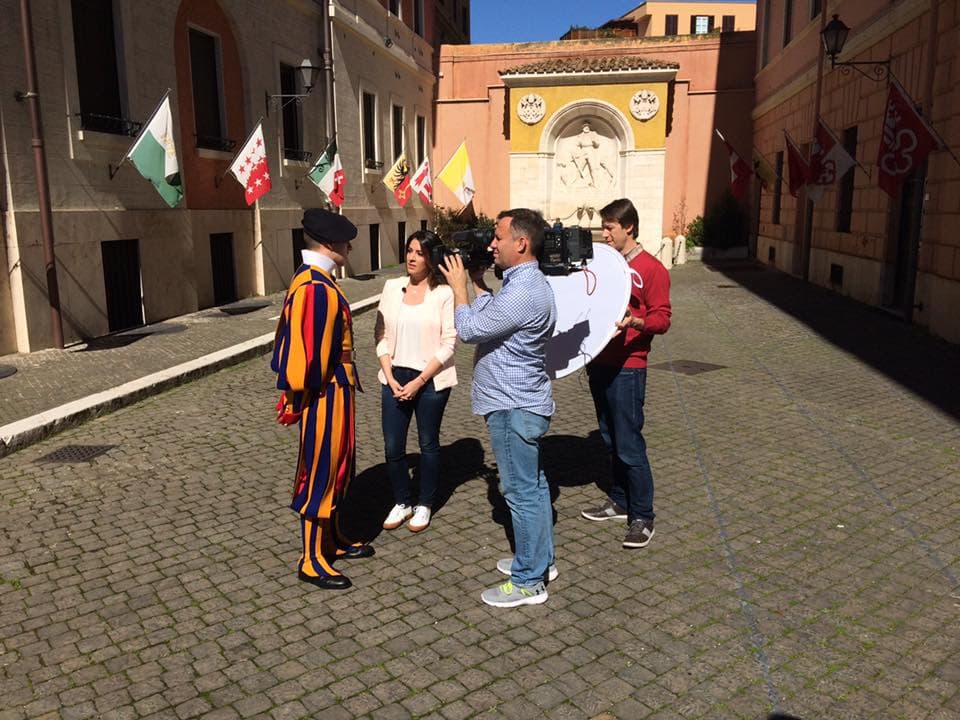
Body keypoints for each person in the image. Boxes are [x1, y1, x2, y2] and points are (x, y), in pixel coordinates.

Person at [439, 208, 557, 608]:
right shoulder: (522, 285)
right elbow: (494, 316)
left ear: (521, 243)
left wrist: (457, 288)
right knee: (535, 489)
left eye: (498, 237)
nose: (491, 244)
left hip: (513, 407)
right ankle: (540, 561)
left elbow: (471, 329)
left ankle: (528, 582)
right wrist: (476, 283)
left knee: (521, 493)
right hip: (521, 402)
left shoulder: (524, 291)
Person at [271, 209, 372, 591]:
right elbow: (306, 355)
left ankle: (330, 540)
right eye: (345, 242)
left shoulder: (316, 281)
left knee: (337, 466)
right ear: (330, 245)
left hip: (334, 388)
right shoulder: (316, 287)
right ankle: (311, 558)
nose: (348, 247)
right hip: (324, 392)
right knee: (320, 470)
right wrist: (297, 398)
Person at [580, 198, 671, 549]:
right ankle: (619, 500)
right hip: (600, 362)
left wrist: (638, 322)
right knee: (609, 437)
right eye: (603, 227)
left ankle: (642, 516)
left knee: (630, 444)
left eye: (609, 228)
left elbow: (662, 318)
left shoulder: (652, 269)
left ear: (628, 227)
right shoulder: (606, 265)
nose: (604, 234)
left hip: (629, 367)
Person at [375, 231, 457, 533]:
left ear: (431, 258)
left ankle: (424, 503)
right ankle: (402, 500)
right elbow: (380, 334)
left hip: (431, 380)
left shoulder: (443, 293)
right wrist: (391, 374)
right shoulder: (392, 287)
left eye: (420, 253)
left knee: (428, 444)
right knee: (393, 445)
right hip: (395, 376)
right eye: (409, 250)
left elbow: (449, 342)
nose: (411, 257)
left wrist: (419, 381)